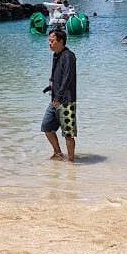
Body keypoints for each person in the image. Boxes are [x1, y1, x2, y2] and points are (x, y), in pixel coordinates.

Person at [41, 27, 77, 162]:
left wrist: (58, 97)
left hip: (66, 101)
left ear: (61, 41)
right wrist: (50, 88)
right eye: (49, 41)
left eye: (52, 41)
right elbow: (59, 78)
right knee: (47, 127)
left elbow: (67, 78)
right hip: (55, 100)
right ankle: (57, 153)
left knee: (68, 134)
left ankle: (71, 162)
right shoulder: (56, 55)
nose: (50, 43)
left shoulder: (68, 56)